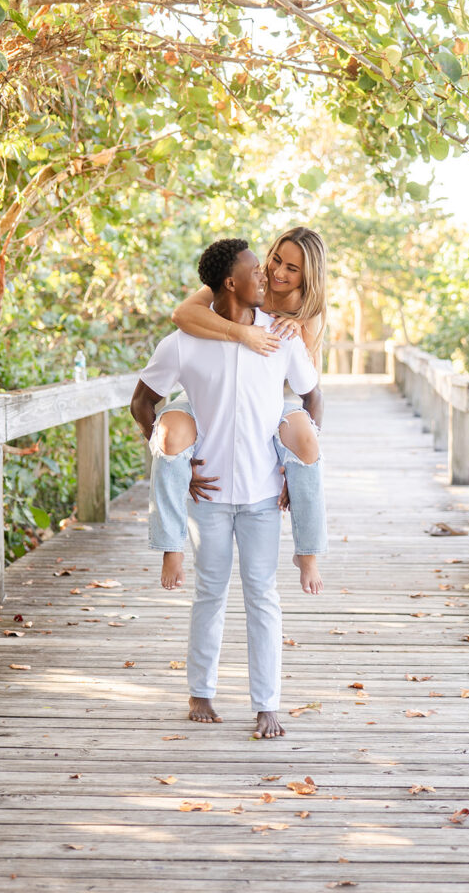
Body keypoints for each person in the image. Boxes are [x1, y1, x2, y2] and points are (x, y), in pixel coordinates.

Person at [130, 239, 323, 738]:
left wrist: (293, 462)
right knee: (209, 595)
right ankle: (201, 693)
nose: (267, 278)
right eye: (256, 271)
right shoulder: (183, 341)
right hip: (208, 499)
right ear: (230, 283)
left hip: (262, 495)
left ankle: (267, 705)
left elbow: (310, 396)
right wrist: (178, 466)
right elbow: (142, 405)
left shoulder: (283, 335)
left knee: (263, 597)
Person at [172, 226, 328, 593]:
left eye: (292, 269)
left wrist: (297, 467)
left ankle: (308, 554)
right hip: (217, 390)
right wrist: (245, 334)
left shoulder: (307, 313)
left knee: (306, 441)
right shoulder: (245, 278)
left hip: (272, 401)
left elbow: (311, 391)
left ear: (308, 276)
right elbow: (183, 314)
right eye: (277, 259)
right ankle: (169, 545)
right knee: (171, 431)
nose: (277, 272)